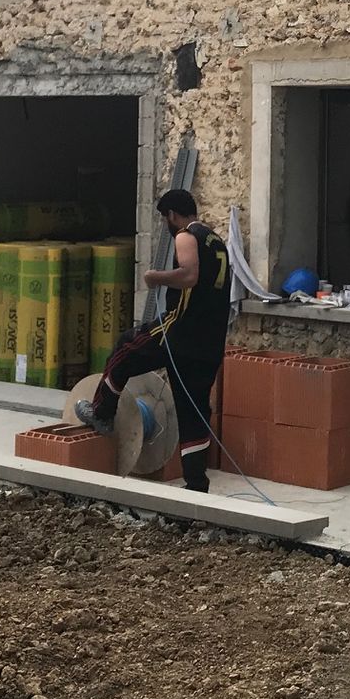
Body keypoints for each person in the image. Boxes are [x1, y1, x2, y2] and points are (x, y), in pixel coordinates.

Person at [74, 188, 230, 492]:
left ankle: (102, 413)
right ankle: (196, 483)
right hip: (209, 343)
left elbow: (189, 275)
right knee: (194, 412)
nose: (165, 225)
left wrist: (155, 277)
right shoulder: (216, 241)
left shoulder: (186, 235)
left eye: (164, 219)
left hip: (179, 332)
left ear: (171, 214)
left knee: (125, 348)